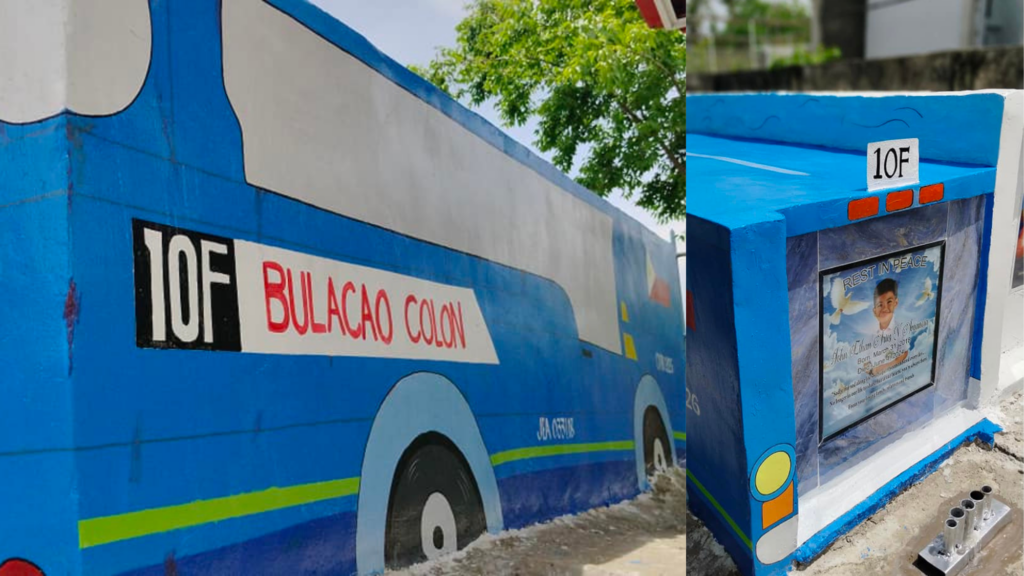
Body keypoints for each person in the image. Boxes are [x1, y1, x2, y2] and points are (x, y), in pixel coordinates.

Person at [868, 279, 908, 377]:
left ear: (896, 302)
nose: (885, 308)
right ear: (874, 310)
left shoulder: (900, 328)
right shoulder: (870, 332)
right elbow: (864, 361)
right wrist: (872, 372)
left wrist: (884, 367)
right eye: (880, 305)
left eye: (889, 302)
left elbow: (904, 353)